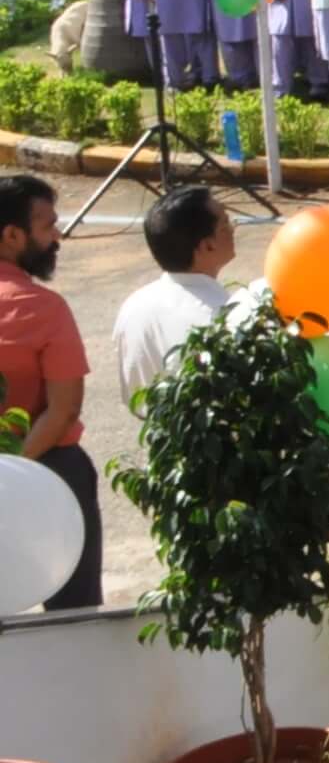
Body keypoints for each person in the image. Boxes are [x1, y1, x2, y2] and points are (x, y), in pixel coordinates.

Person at [0, 176, 94, 611]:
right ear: (13, 236)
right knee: (73, 613)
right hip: (48, 472)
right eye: (48, 226)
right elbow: (62, 410)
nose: (57, 236)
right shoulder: (42, 308)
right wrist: (11, 477)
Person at [115, 183, 236, 404]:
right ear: (207, 246)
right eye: (226, 223)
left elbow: (132, 395)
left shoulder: (133, 306)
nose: (233, 228)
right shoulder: (224, 317)